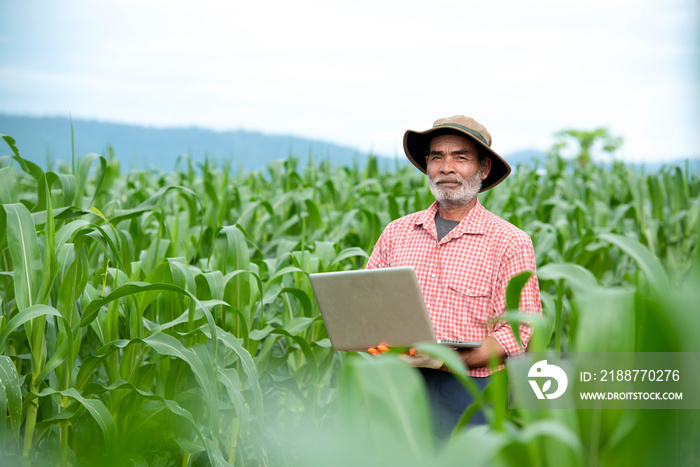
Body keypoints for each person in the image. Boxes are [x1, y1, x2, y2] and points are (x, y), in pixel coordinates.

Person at [365, 115, 542, 436]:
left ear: (484, 168)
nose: (446, 167)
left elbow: (519, 329)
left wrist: (448, 361)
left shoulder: (510, 241)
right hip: (400, 383)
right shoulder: (397, 233)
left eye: (460, 157)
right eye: (437, 157)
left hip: (473, 391)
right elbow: (368, 303)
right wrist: (374, 342)